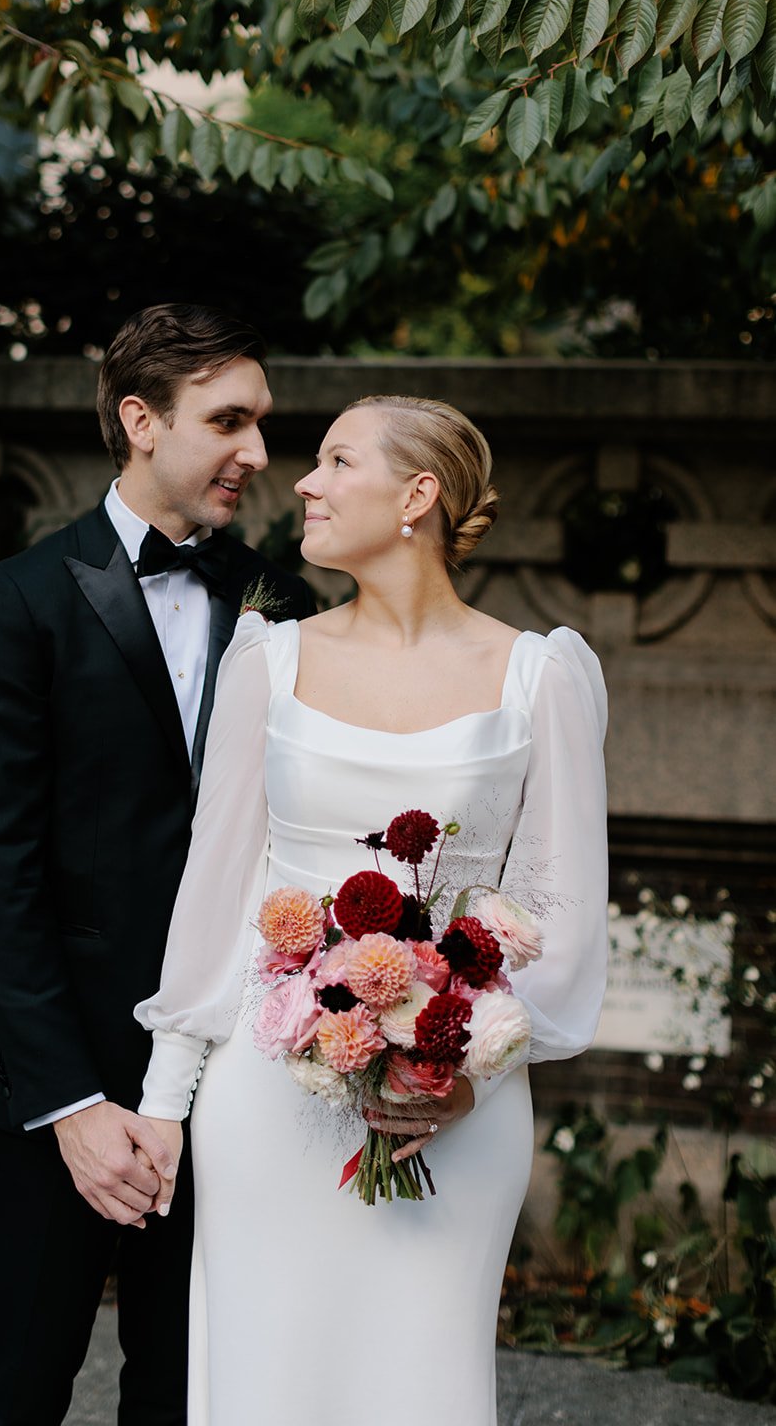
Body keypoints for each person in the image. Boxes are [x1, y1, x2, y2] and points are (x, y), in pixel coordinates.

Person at [136, 395, 609, 1426]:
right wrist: (164, 1100)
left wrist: (466, 1070)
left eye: (335, 460)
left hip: (456, 1105)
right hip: (270, 1096)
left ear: (416, 495)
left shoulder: (542, 676)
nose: (301, 481)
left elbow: (558, 909)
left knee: (419, 1381)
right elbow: (216, 893)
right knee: (265, 1373)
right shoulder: (269, 659)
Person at [0, 303, 315, 1426]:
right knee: (23, 1369)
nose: (257, 454)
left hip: (233, 1068)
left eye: (261, 424)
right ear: (140, 419)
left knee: (191, 1380)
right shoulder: (21, 602)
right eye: (229, 421)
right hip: (61, 1071)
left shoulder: (281, 601)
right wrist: (70, 1103)